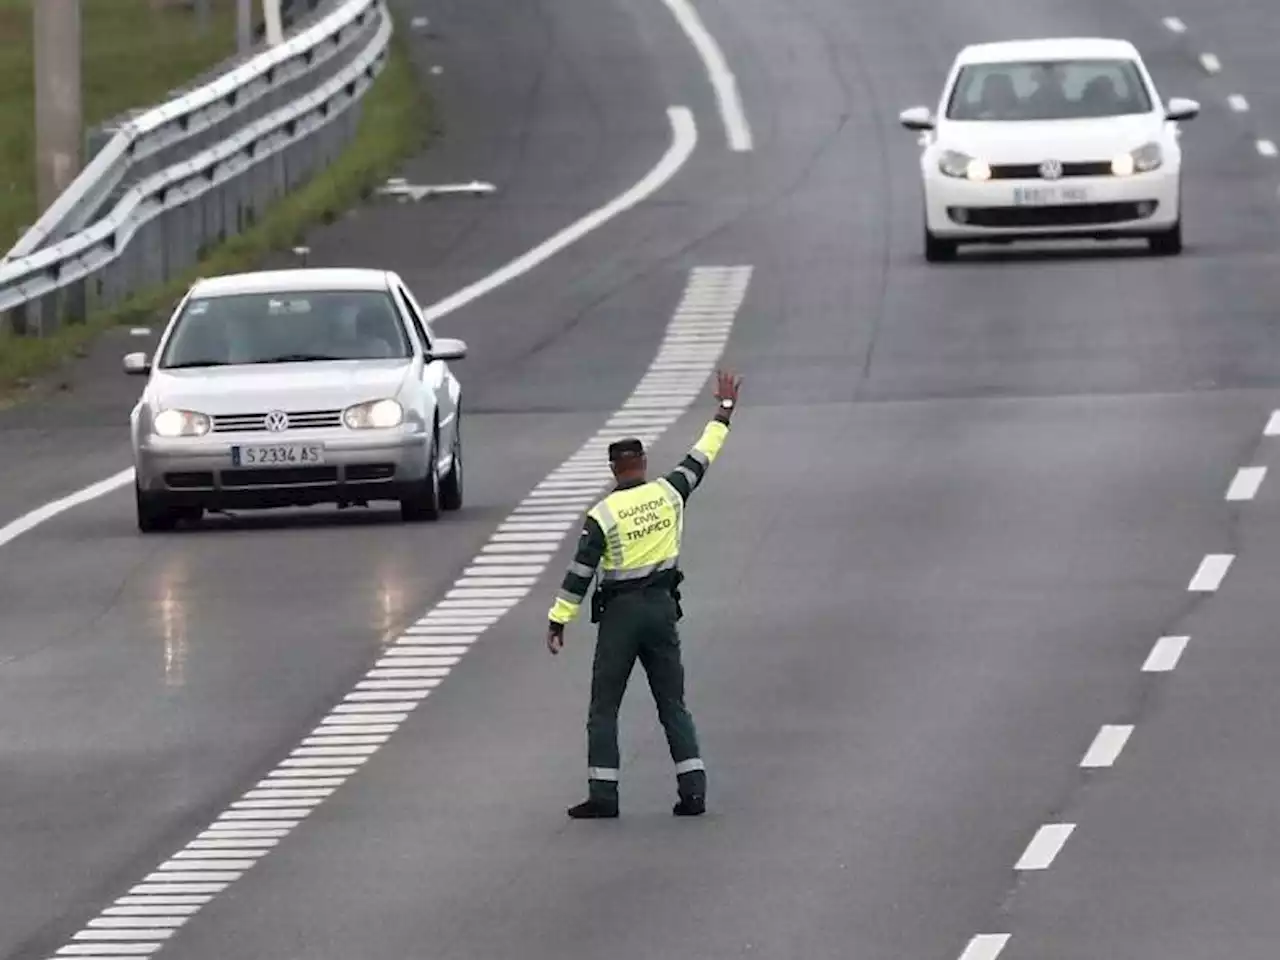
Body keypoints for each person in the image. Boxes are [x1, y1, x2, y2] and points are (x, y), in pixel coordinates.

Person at [546, 369, 743, 819]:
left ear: (615, 468)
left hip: (621, 615)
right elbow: (703, 455)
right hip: (661, 609)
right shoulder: (669, 493)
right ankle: (693, 790)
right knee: (672, 702)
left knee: (605, 707)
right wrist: (724, 411)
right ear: (644, 463)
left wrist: (559, 619)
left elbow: (580, 573)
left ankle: (604, 795)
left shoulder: (603, 514)